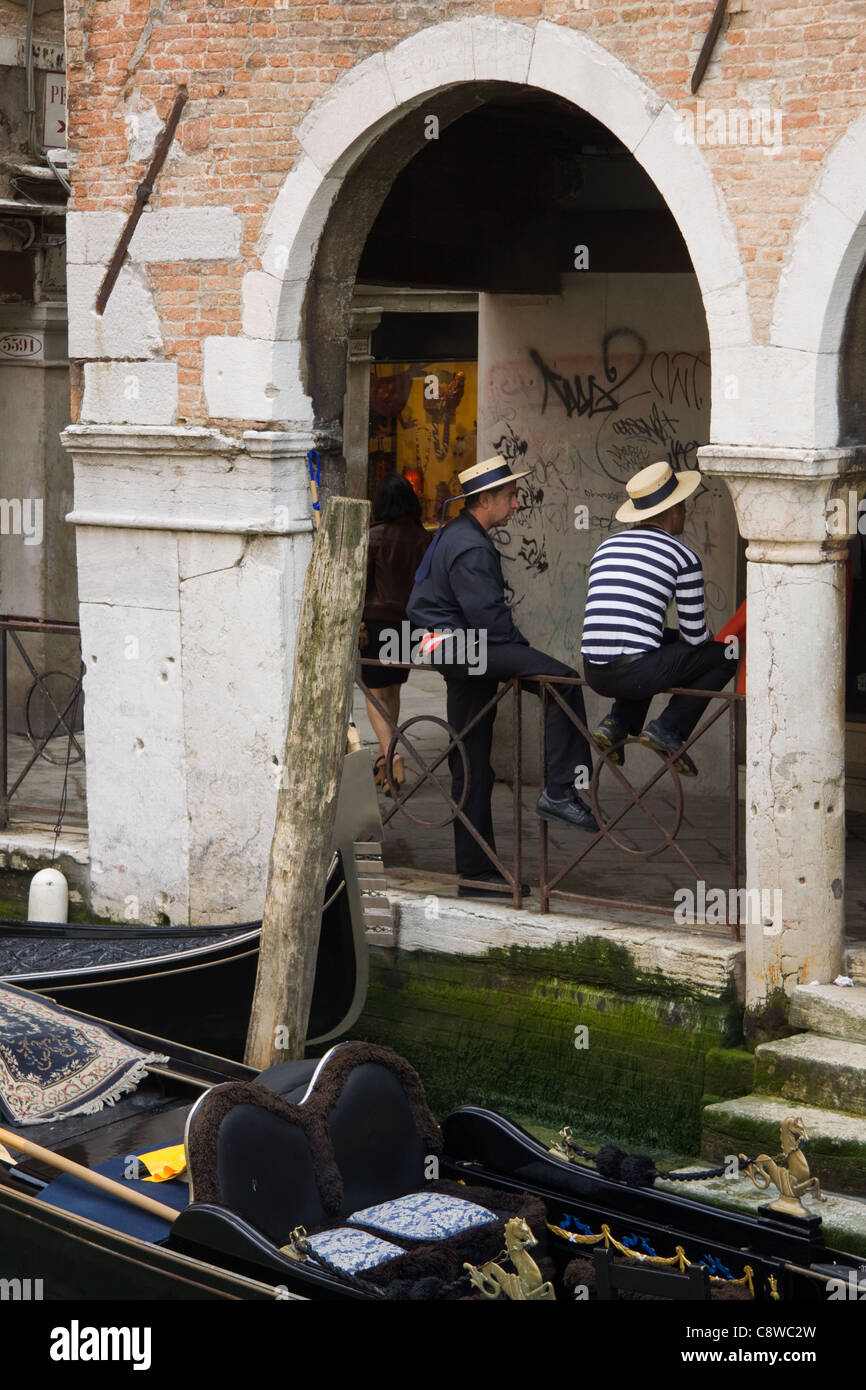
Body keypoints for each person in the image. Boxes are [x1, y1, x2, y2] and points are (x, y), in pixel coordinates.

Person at [408, 455, 598, 899]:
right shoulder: (471, 545)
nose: (516, 504)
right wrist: (523, 654)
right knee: (563, 680)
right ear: (486, 499)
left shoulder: (454, 533)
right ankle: (561, 789)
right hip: (465, 648)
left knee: (469, 761)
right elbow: (490, 621)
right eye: (510, 496)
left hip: (451, 647)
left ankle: (477, 876)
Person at [581, 459, 738, 777]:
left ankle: (616, 724)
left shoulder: (606, 547)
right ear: (673, 510)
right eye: (683, 505)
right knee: (725, 655)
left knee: (656, 646)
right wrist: (701, 635)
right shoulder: (683, 556)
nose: (686, 512)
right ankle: (669, 728)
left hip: (593, 671)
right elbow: (695, 637)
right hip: (637, 671)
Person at [360, 473, 430, 791]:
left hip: (375, 622)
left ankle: (391, 756)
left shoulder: (373, 537)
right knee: (392, 691)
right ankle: (383, 757)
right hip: (408, 624)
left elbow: (362, 585)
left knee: (374, 695)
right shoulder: (423, 538)